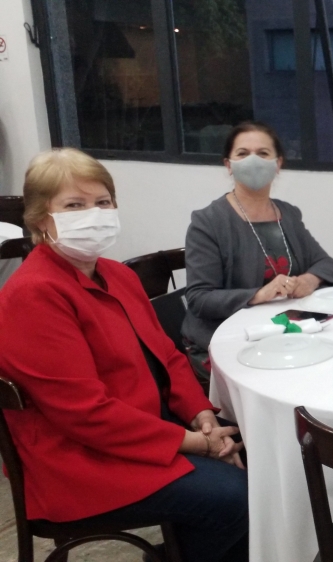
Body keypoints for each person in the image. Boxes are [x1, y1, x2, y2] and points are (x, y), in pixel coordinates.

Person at [0, 148, 249, 562]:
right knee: (233, 496)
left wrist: (201, 415)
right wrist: (195, 443)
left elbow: (167, 357)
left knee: (259, 449)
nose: (93, 214)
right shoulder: (33, 294)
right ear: (41, 218)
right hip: (77, 461)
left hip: (141, 426)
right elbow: (84, 413)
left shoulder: (117, 274)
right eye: (74, 205)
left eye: (103, 202)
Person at [182, 122, 333, 383]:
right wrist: (258, 295)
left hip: (283, 334)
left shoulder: (287, 214)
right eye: (243, 153)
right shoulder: (208, 222)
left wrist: (309, 280)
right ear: (228, 165)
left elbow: (325, 263)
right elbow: (199, 299)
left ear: (278, 164)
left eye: (263, 153)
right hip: (223, 342)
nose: (253, 161)